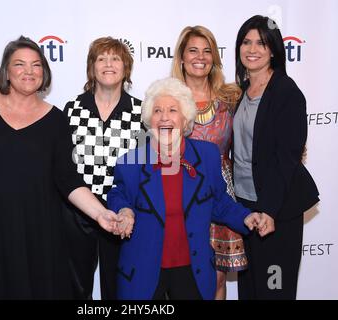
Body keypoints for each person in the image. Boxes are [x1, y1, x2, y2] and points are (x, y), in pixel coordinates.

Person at [0, 36, 121, 299]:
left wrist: (100, 214)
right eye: (19, 64)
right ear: (6, 72)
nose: (29, 71)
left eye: (36, 65)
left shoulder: (57, 120)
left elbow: (67, 179)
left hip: (36, 234)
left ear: (44, 72)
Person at [107, 77, 262, 300]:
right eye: (158, 110)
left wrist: (247, 217)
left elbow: (219, 201)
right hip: (142, 270)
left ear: (185, 117)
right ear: (150, 119)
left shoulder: (207, 155)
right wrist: (124, 210)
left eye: (172, 110)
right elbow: (117, 194)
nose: (164, 117)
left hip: (193, 269)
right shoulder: (130, 161)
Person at [233, 15, 319, 299]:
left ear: (273, 50)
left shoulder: (286, 91)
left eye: (261, 42)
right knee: (249, 291)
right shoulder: (243, 92)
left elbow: (287, 158)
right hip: (247, 210)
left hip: (276, 213)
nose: (253, 48)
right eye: (247, 42)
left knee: (274, 290)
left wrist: (269, 210)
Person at [62, 37, 143, 300]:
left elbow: (142, 168)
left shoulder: (141, 112)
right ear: (91, 67)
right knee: (75, 288)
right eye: (101, 58)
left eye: (116, 58)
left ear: (126, 68)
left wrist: (128, 210)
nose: (109, 64)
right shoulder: (72, 109)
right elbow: (63, 167)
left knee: (118, 290)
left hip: (121, 212)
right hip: (77, 214)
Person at [171, 25, 246, 300]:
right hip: (180, 194)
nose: (200, 57)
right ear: (181, 57)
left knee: (215, 278)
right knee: (182, 277)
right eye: (193, 50)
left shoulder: (232, 97)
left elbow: (253, 137)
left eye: (207, 51)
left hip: (220, 194)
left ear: (214, 57)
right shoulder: (170, 98)